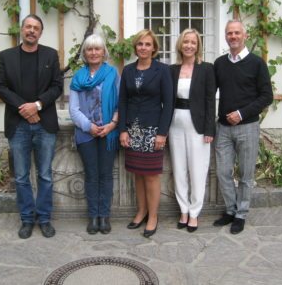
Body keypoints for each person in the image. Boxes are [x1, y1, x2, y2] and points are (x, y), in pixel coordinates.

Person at [0, 14, 63, 239]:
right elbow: (1, 88)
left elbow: (56, 87)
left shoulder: (50, 55)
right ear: (21, 30)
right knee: (22, 176)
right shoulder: (6, 56)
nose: (31, 31)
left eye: (36, 28)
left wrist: (36, 105)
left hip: (45, 125)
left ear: (40, 33)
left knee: (44, 174)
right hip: (18, 125)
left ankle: (44, 219)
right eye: (28, 27)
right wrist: (24, 109)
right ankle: (26, 219)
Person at [213, 19, 273, 234]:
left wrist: (241, 114)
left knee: (246, 174)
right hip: (223, 129)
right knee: (222, 172)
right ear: (226, 36)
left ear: (244, 35)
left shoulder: (257, 63)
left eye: (237, 33)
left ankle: (241, 214)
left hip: (247, 126)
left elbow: (267, 96)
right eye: (229, 33)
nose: (233, 37)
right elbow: (209, 92)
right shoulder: (219, 64)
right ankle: (230, 209)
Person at [118, 29, 174, 238]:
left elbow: (168, 103)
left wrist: (162, 133)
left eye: (147, 44)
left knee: (151, 175)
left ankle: (153, 216)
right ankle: (141, 212)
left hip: (152, 130)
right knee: (137, 174)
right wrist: (123, 129)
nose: (143, 48)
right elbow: (122, 101)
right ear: (136, 47)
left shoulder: (162, 70)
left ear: (154, 48)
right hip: (132, 130)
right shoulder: (128, 70)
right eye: (140, 44)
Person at [69, 34, 119, 235]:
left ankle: (104, 216)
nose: (93, 52)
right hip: (86, 134)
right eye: (89, 49)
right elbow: (73, 109)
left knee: (106, 176)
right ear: (85, 53)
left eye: (97, 49)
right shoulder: (78, 77)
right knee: (91, 176)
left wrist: (112, 124)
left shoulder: (113, 74)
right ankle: (93, 217)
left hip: (108, 133)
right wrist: (88, 126)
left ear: (103, 52)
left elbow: (120, 103)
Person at [169, 28, 216, 233]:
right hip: (175, 125)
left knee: (198, 170)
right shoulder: (171, 70)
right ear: (180, 44)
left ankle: (195, 213)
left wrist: (209, 129)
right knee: (179, 170)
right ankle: (183, 211)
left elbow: (209, 101)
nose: (189, 45)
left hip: (198, 126)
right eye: (186, 41)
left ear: (198, 46)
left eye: (193, 42)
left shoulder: (206, 69)